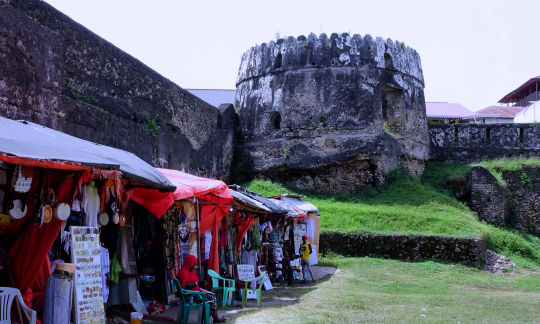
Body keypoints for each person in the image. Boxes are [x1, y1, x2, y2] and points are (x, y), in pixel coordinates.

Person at [177, 255, 227, 323]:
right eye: (193, 264)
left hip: (194, 292)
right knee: (212, 298)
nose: (194, 266)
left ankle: (208, 318)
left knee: (212, 295)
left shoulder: (188, 270)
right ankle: (212, 318)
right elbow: (186, 286)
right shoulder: (184, 272)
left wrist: (200, 283)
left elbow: (193, 282)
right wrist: (197, 283)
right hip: (191, 295)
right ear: (189, 263)